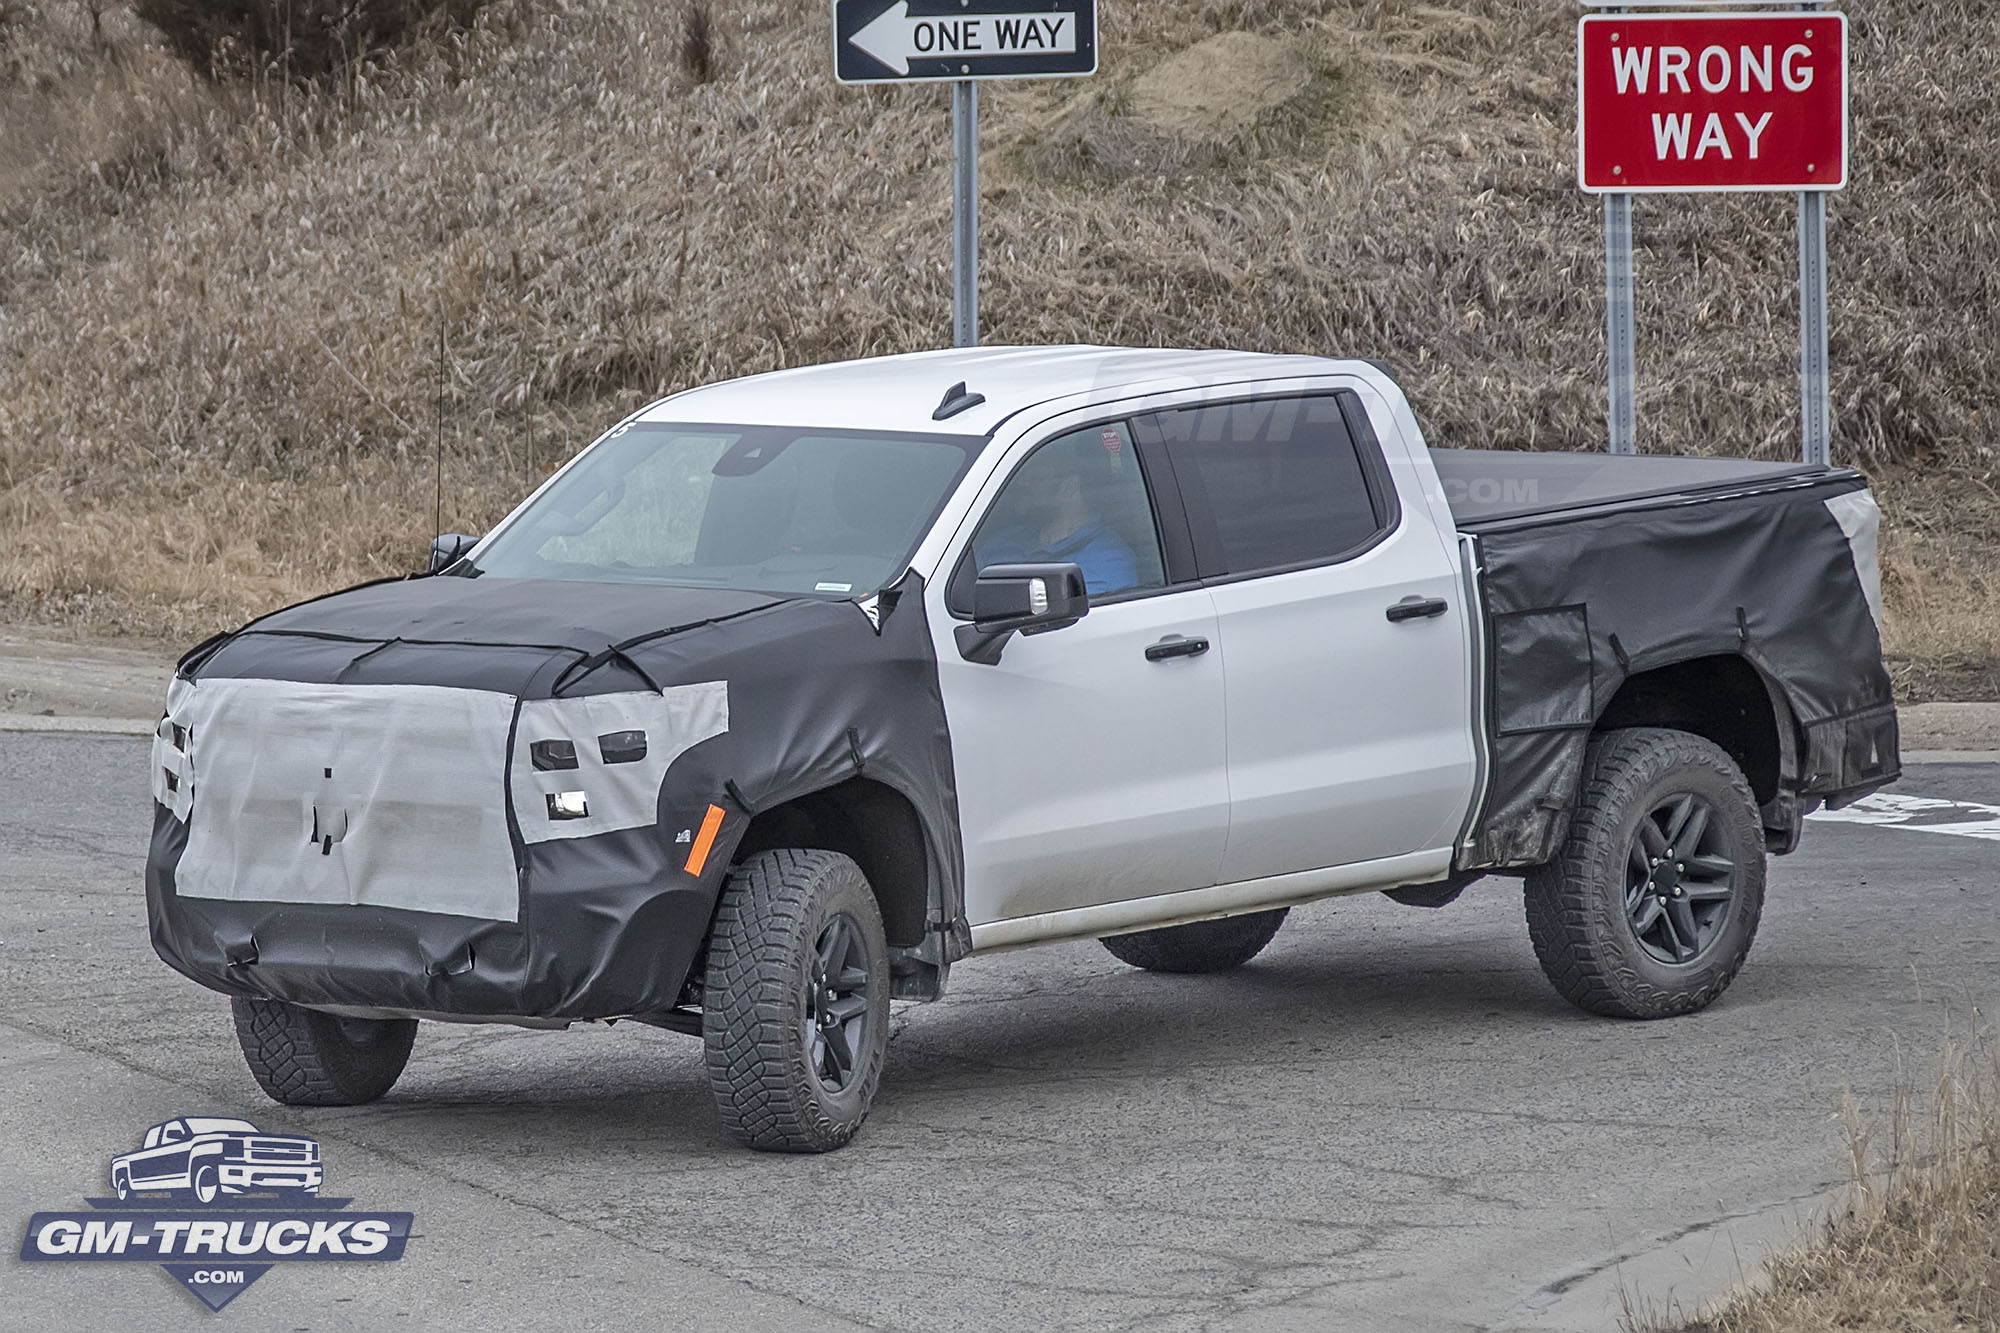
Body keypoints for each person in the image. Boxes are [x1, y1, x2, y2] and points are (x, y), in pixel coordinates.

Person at [974, 444, 1140, 598]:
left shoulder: (1107, 561)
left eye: (1033, 477)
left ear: (1070, 486)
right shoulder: (1006, 539)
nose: (1020, 483)